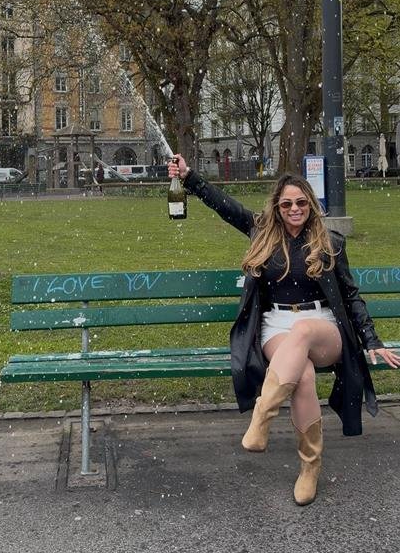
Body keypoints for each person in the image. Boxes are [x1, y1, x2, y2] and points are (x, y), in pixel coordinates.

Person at [168, 155, 400, 505]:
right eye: (287, 204)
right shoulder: (262, 232)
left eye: (302, 203)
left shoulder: (330, 242)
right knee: (302, 375)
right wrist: (188, 177)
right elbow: (225, 206)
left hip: (322, 328)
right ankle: (310, 467)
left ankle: (262, 415)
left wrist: (371, 340)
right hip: (276, 325)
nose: (295, 209)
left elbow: (351, 295)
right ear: (277, 207)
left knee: (303, 330)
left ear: (311, 205)